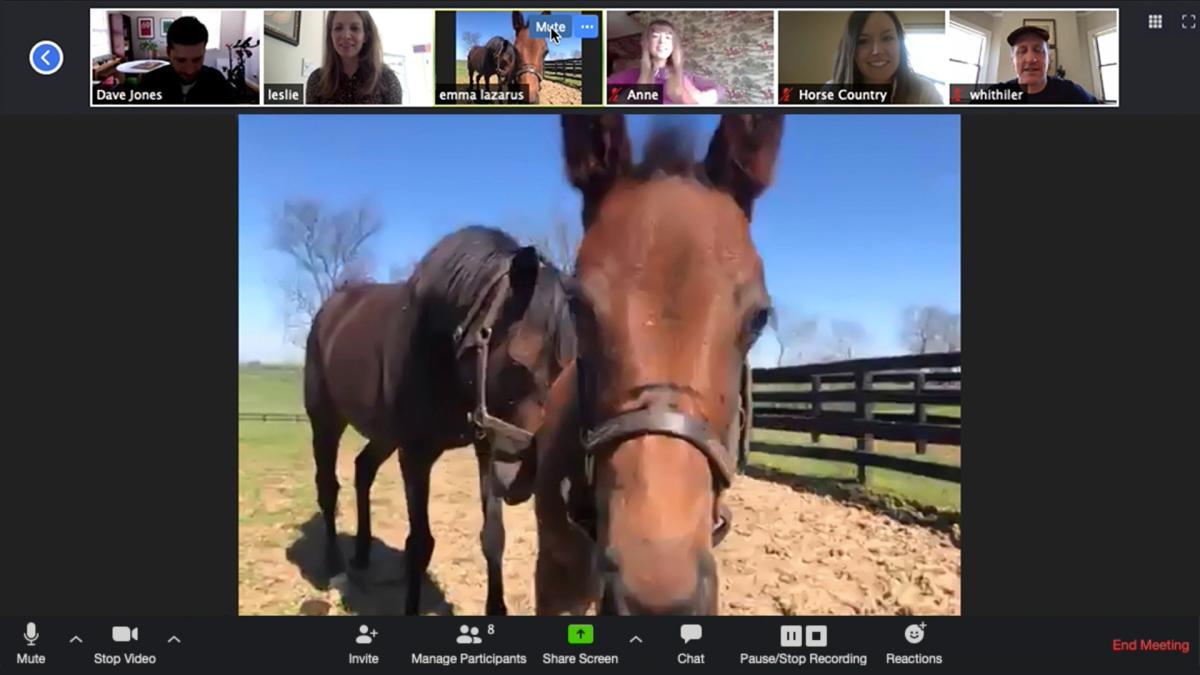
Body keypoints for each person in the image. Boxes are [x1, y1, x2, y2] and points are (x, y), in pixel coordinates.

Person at [823, 11, 942, 104]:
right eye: (863, 41)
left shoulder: (925, 93)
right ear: (850, 51)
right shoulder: (831, 93)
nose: (877, 51)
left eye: (887, 38)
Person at [606, 19, 722, 105]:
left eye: (668, 37)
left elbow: (719, 90)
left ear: (673, 45)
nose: (662, 42)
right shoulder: (631, 75)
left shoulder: (685, 77)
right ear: (647, 43)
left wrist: (704, 97)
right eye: (656, 36)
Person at [306, 10, 403, 104]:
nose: (346, 35)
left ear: (365, 36)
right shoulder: (317, 79)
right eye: (338, 28)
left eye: (354, 28)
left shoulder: (387, 78)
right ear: (331, 35)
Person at [982, 26, 1099, 103]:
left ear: (1049, 59)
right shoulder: (995, 94)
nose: (1030, 59)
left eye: (1038, 50)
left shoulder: (1070, 91)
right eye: (1022, 51)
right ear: (1013, 60)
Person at [139, 16, 236, 104]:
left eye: (197, 59)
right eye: (181, 60)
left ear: (204, 51)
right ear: (168, 52)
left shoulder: (218, 82)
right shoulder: (150, 83)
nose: (190, 71)